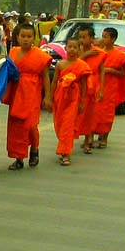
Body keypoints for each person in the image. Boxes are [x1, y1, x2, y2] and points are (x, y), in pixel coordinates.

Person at [3, 22, 52, 170]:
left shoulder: (40, 55)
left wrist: (47, 96)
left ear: (34, 38)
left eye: (29, 36)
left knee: (30, 125)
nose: (25, 39)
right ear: (17, 37)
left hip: (32, 92)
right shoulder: (13, 52)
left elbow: (45, 77)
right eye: (23, 36)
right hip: (16, 92)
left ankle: (35, 149)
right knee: (16, 125)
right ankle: (18, 158)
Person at [52, 38, 91, 166]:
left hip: (74, 96)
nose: (72, 49)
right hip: (60, 95)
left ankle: (66, 154)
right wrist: (49, 97)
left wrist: (82, 102)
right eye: (70, 47)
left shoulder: (82, 66)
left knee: (67, 125)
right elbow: (54, 81)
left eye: (75, 47)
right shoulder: (60, 64)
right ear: (66, 48)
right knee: (59, 124)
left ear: (79, 49)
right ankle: (64, 148)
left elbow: (84, 86)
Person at [93, 27, 125, 148]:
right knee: (93, 111)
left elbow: (122, 74)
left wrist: (110, 70)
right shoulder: (97, 52)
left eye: (105, 37)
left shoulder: (119, 55)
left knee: (107, 113)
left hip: (110, 87)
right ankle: (91, 135)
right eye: (102, 36)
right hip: (96, 85)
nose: (103, 39)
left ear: (113, 39)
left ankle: (104, 137)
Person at [75, 25, 105, 154]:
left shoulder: (99, 53)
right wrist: (85, 55)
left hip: (93, 86)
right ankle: (70, 140)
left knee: (90, 115)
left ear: (92, 38)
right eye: (80, 37)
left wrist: (102, 89)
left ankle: (88, 140)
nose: (82, 40)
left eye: (84, 37)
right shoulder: (75, 50)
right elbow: (72, 64)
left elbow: (102, 71)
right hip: (78, 86)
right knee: (76, 115)